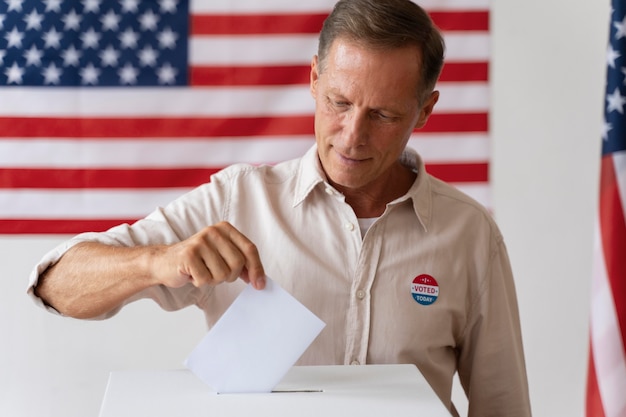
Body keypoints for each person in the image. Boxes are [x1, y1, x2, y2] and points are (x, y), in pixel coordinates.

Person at [27, 0, 531, 415]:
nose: (352, 137)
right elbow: (56, 284)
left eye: (383, 114)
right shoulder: (236, 201)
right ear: (314, 79)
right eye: (338, 102)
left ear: (424, 110)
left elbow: (503, 405)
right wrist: (158, 260)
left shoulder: (470, 235)